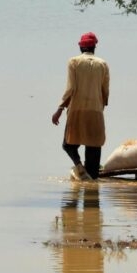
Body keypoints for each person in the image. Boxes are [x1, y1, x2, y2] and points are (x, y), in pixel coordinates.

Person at [52, 32, 110, 181]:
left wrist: (60, 108)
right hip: (96, 111)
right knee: (93, 150)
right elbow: (105, 91)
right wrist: (100, 106)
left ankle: (78, 166)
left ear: (80, 47)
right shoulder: (103, 64)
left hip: (77, 110)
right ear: (94, 46)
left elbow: (71, 88)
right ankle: (92, 197)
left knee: (68, 144)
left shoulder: (74, 62)